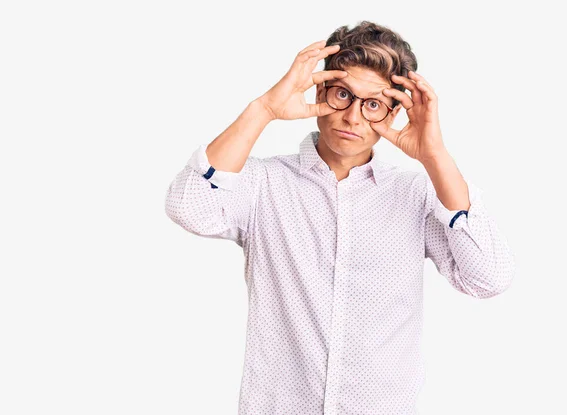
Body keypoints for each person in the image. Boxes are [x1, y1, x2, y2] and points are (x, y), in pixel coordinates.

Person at [165, 20, 515, 415]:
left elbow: (489, 278)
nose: (352, 117)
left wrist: (435, 157)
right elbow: (188, 206)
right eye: (343, 95)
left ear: (394, 111)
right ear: (320, 91)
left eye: (373, 104)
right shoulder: (264, 183)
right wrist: (263, 110)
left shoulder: (415, 195)